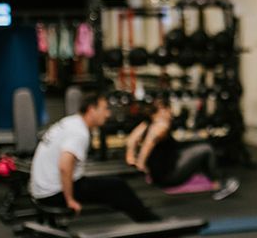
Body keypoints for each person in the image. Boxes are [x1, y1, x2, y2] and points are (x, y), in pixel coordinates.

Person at [30, 92, 161, 222]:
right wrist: (70, 200)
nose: (108, 114)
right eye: (104, 109)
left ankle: (138, 212)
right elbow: (65, 166)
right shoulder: (79, 133)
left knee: (113, 189)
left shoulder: (71, 121)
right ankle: (151, 225)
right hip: (53, 194)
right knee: (118, 186)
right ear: (92, 110)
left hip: (41, 189)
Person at [125, 98, 240, 201]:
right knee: (206, 149)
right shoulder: (161, 126)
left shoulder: (146, 124)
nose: (170, 113)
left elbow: (131, 140)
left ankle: (214, 181)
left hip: (162, 171)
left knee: (197, 147)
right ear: (162, 111)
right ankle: (220, 185)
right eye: (168, 109)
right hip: (168, 176)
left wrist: (130, 156)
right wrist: (141, 164)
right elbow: (149, 143)